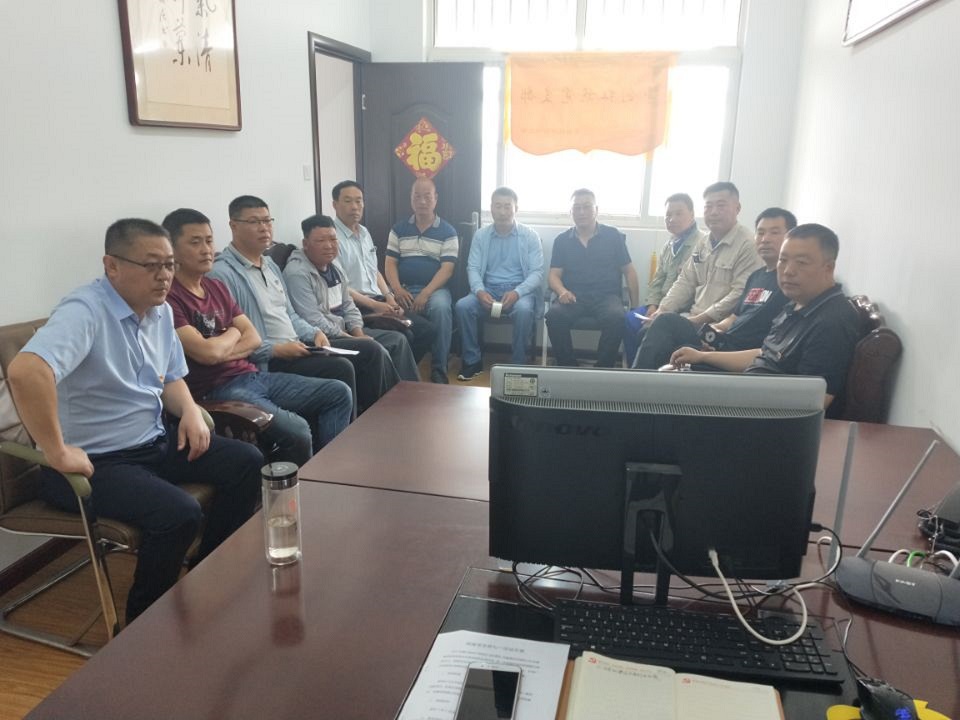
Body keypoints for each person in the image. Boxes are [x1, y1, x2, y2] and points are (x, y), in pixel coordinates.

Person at [7, 218, 262, 624]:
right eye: (151, 265)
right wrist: (57, 451)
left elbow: (171, 376)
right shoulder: (85, 311)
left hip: (151, 444)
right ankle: (144, 625)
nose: (164, 276)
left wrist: (190, 411)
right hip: (96, 465)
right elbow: (26, 371)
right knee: (178, 513)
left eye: (169, 264)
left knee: (246, 462)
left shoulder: (159, 310)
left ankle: (207, 572)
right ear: (111, 266)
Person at [163, 208, 352, 467]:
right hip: (216, 390)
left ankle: (330, 470)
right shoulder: (170, 298)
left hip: (252, 375)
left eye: (209, 240)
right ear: (172, 250)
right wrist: (233, 333)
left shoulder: (215, 287)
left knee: (338, 393)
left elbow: (251, 338)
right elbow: (208, 354)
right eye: (195, 242)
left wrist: (224, 341)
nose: (206, 250)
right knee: (297, 429)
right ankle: (304, 483)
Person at [670, 223, 860, 410]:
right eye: (783, 260)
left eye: (801, 262)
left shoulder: (832, 321)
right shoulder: (796, 304)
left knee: (673, 394)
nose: (788, 271)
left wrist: (729, 397)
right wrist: (703, 356)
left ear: (828, 268)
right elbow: (763, 354)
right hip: (749, 390)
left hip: (760, 411)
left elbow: (811, 403)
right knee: (672, 375)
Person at [208, 195, 359, 416]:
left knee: (364, 353)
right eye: (254, 222)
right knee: (341, 367)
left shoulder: (270, 265)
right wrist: (276, 349)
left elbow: (291, 315)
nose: (264, 228)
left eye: (267, 221)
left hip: (298, 346)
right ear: (234, 226)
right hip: (269, 361)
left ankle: (365, 424)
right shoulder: (222, 274)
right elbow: (233, 339)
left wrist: (314, 332)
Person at [632, 207, 796, 370]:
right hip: (723, 340)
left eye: (774, 232)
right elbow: (734, 316)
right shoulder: (757, 276)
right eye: (760, 233)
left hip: (740, 352)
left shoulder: (789, 284)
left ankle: (634, 382)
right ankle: (643, 381)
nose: (765, 239)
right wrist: (716, 330)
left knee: (666, 323)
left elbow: (770, 348)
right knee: (651, 332)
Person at [283, 213, 411, 397]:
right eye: (321, 240)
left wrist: (358, 333)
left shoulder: (334, 266)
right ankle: (390, 403)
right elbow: (313, 320)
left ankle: (407, 397)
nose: (329, 245)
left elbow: (349, 305)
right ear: (305, 244)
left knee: (398, 340)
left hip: (344, 331)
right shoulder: (298, 274)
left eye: (333, 239)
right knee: (375, 350)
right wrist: (352, 338)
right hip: (324, 339)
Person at [331, 180, 435, 369]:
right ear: (335, 204)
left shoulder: (364, 232)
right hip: (357, 306)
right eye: (348, 201)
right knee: (405, 334)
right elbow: (341, 286)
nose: (354, 207)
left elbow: (374, 270)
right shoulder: (332, 238)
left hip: (379, 300)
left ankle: (395, 377)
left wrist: (390, 298)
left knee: (427, 330)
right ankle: (396, 379)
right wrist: (376, 306)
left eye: (358, 201)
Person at [454, 187, 544, 380]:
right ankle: (472, 361)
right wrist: (479, 291)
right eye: (498, 206)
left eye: (507, 206)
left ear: (516, 208)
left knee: (523, 311)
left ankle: (518, 364)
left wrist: (517, 292)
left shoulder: (530, 236)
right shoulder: (481, 236)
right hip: (488, 289)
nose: (502, 212)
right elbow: (473, 268)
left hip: (519, 290)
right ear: (491, 208)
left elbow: (537, 273)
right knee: (463, 306)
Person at [545, 189, 639, 367]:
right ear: (570, 212)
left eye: (587, 207)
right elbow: (553, 275)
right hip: (573, 296)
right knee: (554, 316)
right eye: (577, 208)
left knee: (617, 318)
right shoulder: (562, 240)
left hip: (607, 296)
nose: (581, 212)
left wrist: (634, 307)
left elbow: (629, 271)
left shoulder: (613, 236)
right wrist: (562, 291)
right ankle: (568, 367)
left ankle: (602, 370)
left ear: (596, 209)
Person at [652, 181, 762, 327]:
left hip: (719, 325)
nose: (713, 212)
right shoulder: (703, 243)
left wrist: (698, 320)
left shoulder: (748, 245)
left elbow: (740, 294)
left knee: (659, 333)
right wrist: (663, 309)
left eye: (721, 205)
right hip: (692, 317)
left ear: (737, 208)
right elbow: (686, 281)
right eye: (708, 206)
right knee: (648, 328)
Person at [384, 177, 458, 384]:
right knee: (388, 308)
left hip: (435, 290)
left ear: (436, 198)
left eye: (427, 196)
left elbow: (447, 269)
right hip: (403, 288)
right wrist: (397, 289)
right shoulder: (398, 229)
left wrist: (426, 293)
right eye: (417, 196)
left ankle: (439, 368)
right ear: (411, 199)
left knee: (441, 308)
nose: (422, 201)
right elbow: (390, 264)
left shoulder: (448, 231)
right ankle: (398, 368)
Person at [623, 192, 704, 363]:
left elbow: (694, 288)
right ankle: (631, 368)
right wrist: (653, 305)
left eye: (678, 213)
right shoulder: (669, 245)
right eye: (668, 215)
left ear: (692, 214)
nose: (672, 219)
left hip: (683, 309)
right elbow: (657, 280)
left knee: (648, 331)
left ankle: (647, 369)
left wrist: (664, 310)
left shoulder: (701, 244)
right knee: (629, 319)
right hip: (661, 305)